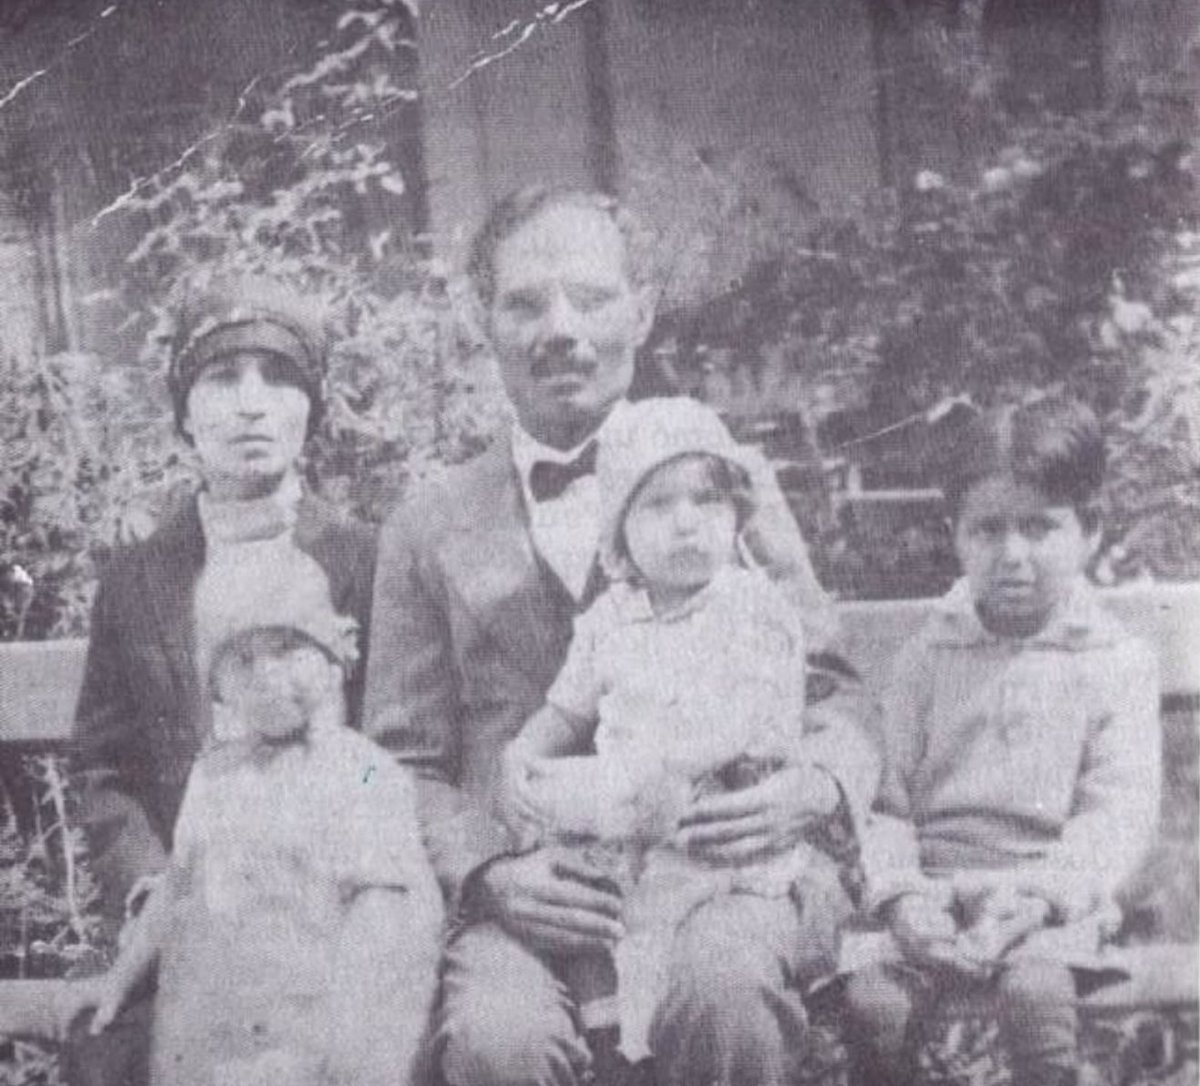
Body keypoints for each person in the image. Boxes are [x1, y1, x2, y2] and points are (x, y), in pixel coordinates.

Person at [364, 185, 878, 1086]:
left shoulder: (726, 485)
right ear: (484, 322)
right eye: (524, 302)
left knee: (722, 993)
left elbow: (833, 689)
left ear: (640, 312)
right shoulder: (429, 520)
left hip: (723, 869)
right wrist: (488, 875)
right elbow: (401, 761)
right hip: (536, 895)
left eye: (591, 298)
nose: (559, 328)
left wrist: (814, 785)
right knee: (497, 1041)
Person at [68, 276, 377, 1086]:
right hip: (180, 924)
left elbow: (396, 753)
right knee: (106, 1058)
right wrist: (149, 892)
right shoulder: (136, 581)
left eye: (279, 378)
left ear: (311, 408)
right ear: (183, 414)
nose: (252, 404)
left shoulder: (365, 561)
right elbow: (105, 769)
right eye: (222, 378)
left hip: (331, 925)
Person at [498, 396, 872, 1065]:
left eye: (707, 501)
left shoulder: (753, 610)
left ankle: (640, 1018)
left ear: (736, 516)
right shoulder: (609, 621)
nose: (687, 524)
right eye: (657, 506)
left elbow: (747, 724)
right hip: (633, 832)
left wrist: (627, 786)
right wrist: (526, 755)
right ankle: (609, 1018)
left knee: (713, 967)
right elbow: (565, 712)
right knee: (574, 876)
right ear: (619, 535)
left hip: (719, 824)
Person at [842, 396, 1161, 1086]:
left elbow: (1116, 816)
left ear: (1090, 530)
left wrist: (1042, 898)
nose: (1013, 556)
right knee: (872, 1004)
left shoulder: (1114, 661)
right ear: (954, 534)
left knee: (1036, 994)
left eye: (1040, 527)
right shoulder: (926, 657)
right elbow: (887, 806)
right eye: (987, 531)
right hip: (933, 896)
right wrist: (903, 901)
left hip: (1049, 901)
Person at [70, 614, 442, 1086]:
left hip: (332, 1003)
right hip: (225, 1012)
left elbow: (388, 916)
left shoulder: (365, 771)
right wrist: (119, 981)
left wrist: (355, 1034)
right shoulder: (214, 775)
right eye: (242, 660)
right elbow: (179, 884)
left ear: (334, 662)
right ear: (219, 689)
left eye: (288, 647)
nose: (266, 673)